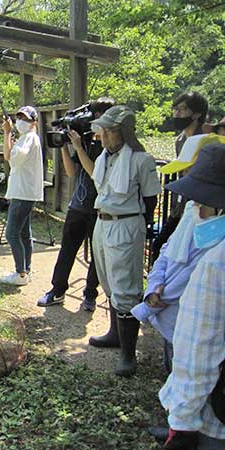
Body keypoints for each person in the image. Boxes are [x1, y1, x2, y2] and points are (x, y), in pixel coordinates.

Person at [131, 134, 225, 374]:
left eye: (190, 171)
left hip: (199, 334)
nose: (186, 177)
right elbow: (167, 252)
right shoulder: (192, 209)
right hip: (172, 324)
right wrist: (153, 287)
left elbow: (188, 280)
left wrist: (149, 306)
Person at [158, 144, 225, 450]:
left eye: (202, 202)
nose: (197, 210)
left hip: (214, 417)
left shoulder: (216, 263)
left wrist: (181, 423)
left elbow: (200, 349)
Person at [87, 105, 161, 377]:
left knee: (126, 287)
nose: (103, 136)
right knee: (107, 280)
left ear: (124, 132)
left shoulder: (141, 160)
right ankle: (114, 334)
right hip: (102, 223)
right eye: (102, 130)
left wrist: (138, 229)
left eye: (110, 131)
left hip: (126, 224)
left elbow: (151, 199)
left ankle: (129, 355)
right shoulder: (105, 157)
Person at [37, 98, 114, 310]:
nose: (95, 120)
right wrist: (63, 145)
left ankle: (90, 294)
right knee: (67, 251)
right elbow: (72, 172)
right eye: (95, 115)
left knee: (97, 256)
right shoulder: (87, 141)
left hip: (100, 208)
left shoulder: (110, 146)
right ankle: (57, 290)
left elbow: (94, 173)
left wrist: (79, 147)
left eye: (99, 115)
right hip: (78, 206)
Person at [151, 92, 208, 263]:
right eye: (175, 110)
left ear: (197, 114)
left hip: (201, 204)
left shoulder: (207, 139)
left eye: (181, 110)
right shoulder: (180, 140)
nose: (176, 114)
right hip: (180, 205)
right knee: (160, 246)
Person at [0, 106, 44, 285]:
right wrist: (9, 134)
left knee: (11, 234)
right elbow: (11, 155)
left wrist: (7, 133)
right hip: (26, 192)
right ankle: (26, 270)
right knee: (24, 233)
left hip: (23, 193)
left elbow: (9, 156)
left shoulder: (29, 139)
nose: (21, 121)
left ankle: (21, 273)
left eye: (25, 118)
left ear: (34, 122)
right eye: (19, 118)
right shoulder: (28, 138)